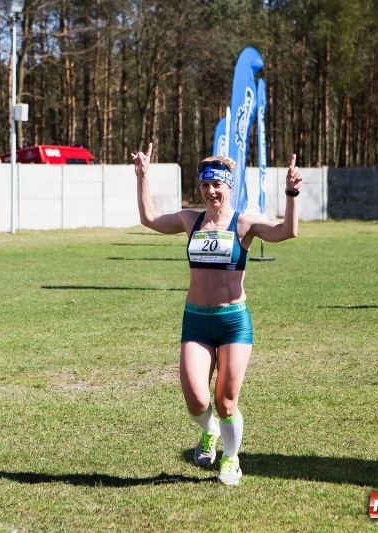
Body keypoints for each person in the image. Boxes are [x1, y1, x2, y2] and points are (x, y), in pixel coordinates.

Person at [131, 143, 302, 486]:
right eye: (205, 186)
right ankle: (209, 433)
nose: (211, 192)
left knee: (225, 401)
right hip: (195, 320)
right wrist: (142, 177)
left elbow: (287, 232)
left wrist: (291, 193)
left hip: (233, 322)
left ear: (228, 187)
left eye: (217, 185)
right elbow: (148, 219)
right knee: (196, 399)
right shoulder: (189, 219)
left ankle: (231, 458)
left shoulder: (244, 223)